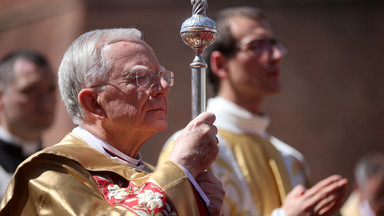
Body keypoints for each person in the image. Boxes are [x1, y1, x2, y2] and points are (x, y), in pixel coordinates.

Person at [0, 28, 225, 215]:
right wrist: (181, 171)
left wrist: (199, 208)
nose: (163, 89)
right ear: (93, 103)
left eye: (161, 76)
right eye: (141, 77)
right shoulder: (50, 177)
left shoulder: (152, 175)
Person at [158, 6, 348, 216]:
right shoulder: (189, 152)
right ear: (220, 64)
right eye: (257, 46)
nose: (276, 56)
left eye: (274, 45)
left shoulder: (291, 159)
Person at [0, 50, 56, 198]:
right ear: (1, 97)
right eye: (30, 90)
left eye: (51, 90)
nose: (46, 103)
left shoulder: (61, 166)